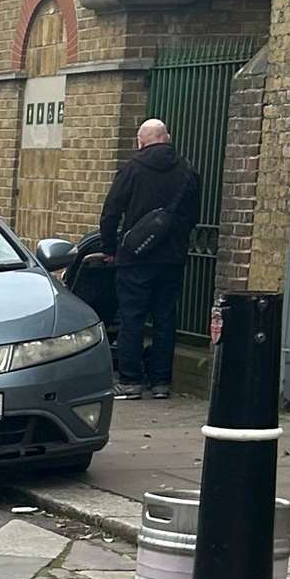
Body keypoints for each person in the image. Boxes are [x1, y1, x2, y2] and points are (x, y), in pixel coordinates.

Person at [93, 118, 201, 400]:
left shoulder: (132, 169)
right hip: (172, 258)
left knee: (132, 318)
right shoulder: (188, 171)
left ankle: (130, 381)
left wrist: (110, 247)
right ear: (168, 138)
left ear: (140, 142)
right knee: (166, 318)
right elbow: (193, 216)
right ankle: (161, 382)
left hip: (135, 258)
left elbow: (111, 212)